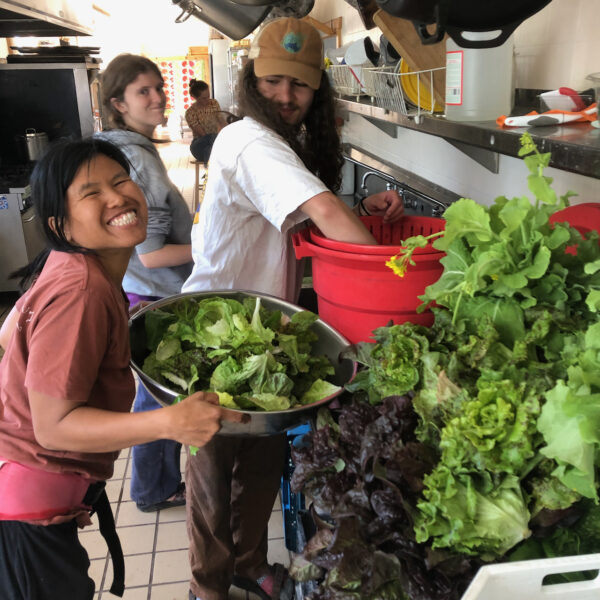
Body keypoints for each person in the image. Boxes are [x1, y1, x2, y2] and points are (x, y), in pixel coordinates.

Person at [181, 17, 404, 600]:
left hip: (268, 330)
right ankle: (208, 589)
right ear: (253, 79)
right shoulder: (249, 140)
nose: (286, 96)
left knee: (257, 468)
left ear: (317, 88)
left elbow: (306, 211)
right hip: (215, 337)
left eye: (300, 86)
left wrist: (362, 202)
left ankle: (249, 564)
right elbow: (325, 214)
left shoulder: (276, 141)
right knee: (210, 478)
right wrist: (394, 282)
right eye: (275, 81)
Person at [0, 138, 243, 600]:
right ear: (60, 224)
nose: (117, 198)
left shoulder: (68, 265)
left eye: (120, 181)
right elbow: (53, 428)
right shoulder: (82, 291)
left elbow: (10, 336)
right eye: (91, 193)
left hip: (29, 497)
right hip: (25, 519)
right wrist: (169, 422)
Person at [95, 53, 194, 513]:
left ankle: (155, 484)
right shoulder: (138, 157)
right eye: (143, 91)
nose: (158, 97)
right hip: (153, 294)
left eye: (159, 87)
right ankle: (154, 488)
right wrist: (214, 247)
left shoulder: (116, 148)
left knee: (151, 393)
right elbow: (152, 254)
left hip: (133, 290)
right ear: (118, 102)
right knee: (156, 401)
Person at [185, 79, 227, 163]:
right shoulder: (190, 112)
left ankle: (209, 172)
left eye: (208, 96)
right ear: (195, 97)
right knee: (211, 138)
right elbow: (203, 135)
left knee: (209, 149)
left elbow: (221, 122)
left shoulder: (214, 103)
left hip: (213, 146)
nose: (208, 100)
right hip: (199, 145)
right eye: (204, 98)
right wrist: (219, 139)